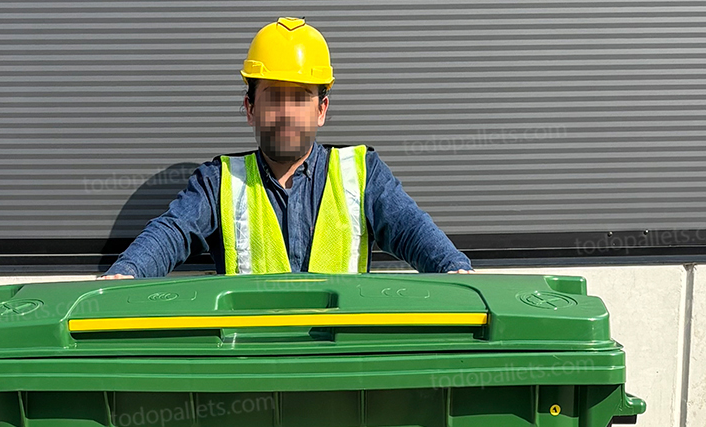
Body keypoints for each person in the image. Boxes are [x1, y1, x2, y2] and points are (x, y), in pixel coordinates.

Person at [99, 16, 473, 280]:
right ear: (250, 108)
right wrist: (125, 275)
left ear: (321, 109)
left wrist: (456, 271)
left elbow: (416, 233)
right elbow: (170, 234)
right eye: (274, 96)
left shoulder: (363, 174)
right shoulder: (217, 182)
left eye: (300, 97)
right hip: (252, 356)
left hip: (339, 357)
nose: (287, 113)